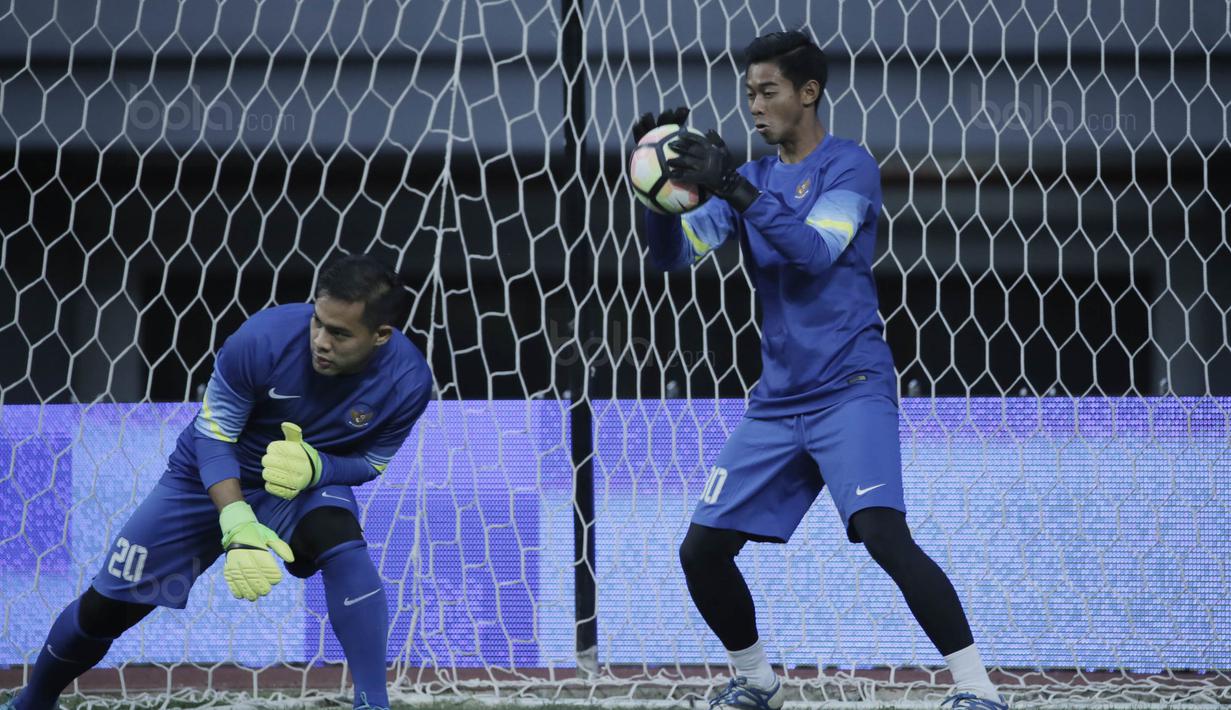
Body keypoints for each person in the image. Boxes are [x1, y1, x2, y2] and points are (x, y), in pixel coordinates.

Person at [633, 31, 1007, 710]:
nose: (754, 106)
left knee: (883, 535)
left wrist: (733, 187)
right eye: (749, 94)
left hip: (849, 389)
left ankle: (978, 690)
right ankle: (757, 682)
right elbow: (669, 259)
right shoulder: (749, 178)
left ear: (808, 93)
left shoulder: (848, 167)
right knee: (700, 550)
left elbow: (812, 252)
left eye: (768, 91)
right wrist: (655, 192)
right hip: (777, 401)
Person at [2, 254, 433, 710]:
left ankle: (372, 703)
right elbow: (213, 434)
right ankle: (32, 702)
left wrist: (318, 468)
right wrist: (235, 518)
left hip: (296, 488)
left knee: (340, 539)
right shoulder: (261, 340)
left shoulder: (408, 383)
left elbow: (370, 463)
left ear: (381, 335)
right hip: (202, 479)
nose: (320, 341)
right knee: (106, 610)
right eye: (317, 322)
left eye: (340, 333)